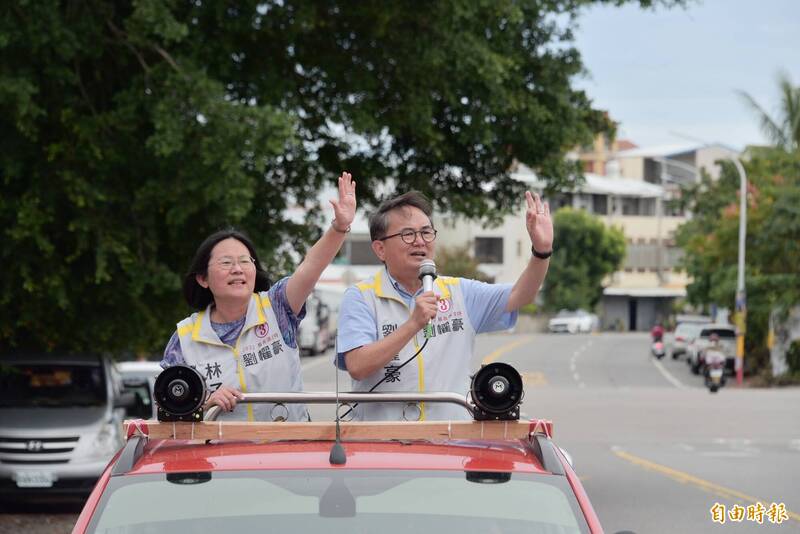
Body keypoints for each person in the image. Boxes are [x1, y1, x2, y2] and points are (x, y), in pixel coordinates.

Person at [335, 190, 553, 421]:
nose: (420, 241)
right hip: (382, 444)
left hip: (450, 441)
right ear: (380, 249)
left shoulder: (459, 292)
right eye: (407, 234)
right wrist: (413, 324)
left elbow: (521, 295)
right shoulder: (361, 297)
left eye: (426, 232)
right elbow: (357, 365)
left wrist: (541, 252)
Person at [161, 172, 357, 421]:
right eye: (226, 262)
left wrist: (339, 227)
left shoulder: (277, 307)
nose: (237, 269)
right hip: (221, 456)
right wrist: (203, 402)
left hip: (287, 451)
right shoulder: (185, 337)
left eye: (245, 261)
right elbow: (169, 406)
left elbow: (311, 267)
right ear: (203, 278)